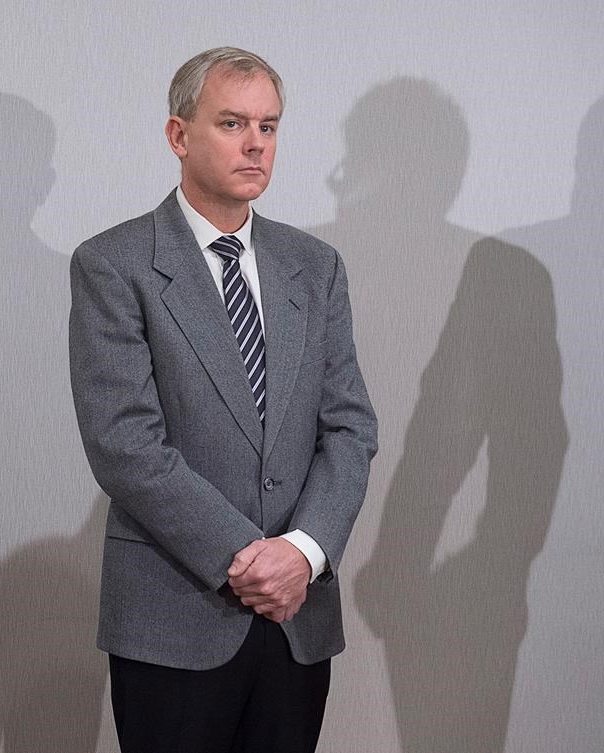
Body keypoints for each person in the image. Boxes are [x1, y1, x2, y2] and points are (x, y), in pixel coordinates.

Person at [68, 48, 378, 753]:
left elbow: (350, 427)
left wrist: (302, 553)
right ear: (179, 135)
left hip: (296, 613)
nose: (255, 144)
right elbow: (124, 443)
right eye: (233, 123)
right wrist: (248, 557)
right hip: (176, 613)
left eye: (269, 126)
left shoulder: (315, 267)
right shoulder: (113, 263)